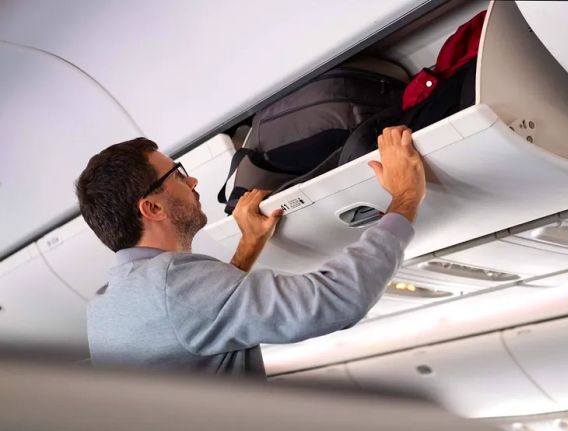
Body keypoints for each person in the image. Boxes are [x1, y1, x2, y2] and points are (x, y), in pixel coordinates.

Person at [75, 126, 425, 377]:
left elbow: (203, 322)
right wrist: (405, 197)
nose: (192, 181)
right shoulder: (172, 284)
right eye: (177, 175)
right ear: (152, 208)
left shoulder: (105, 308)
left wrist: (248, 246)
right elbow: (338, 299)